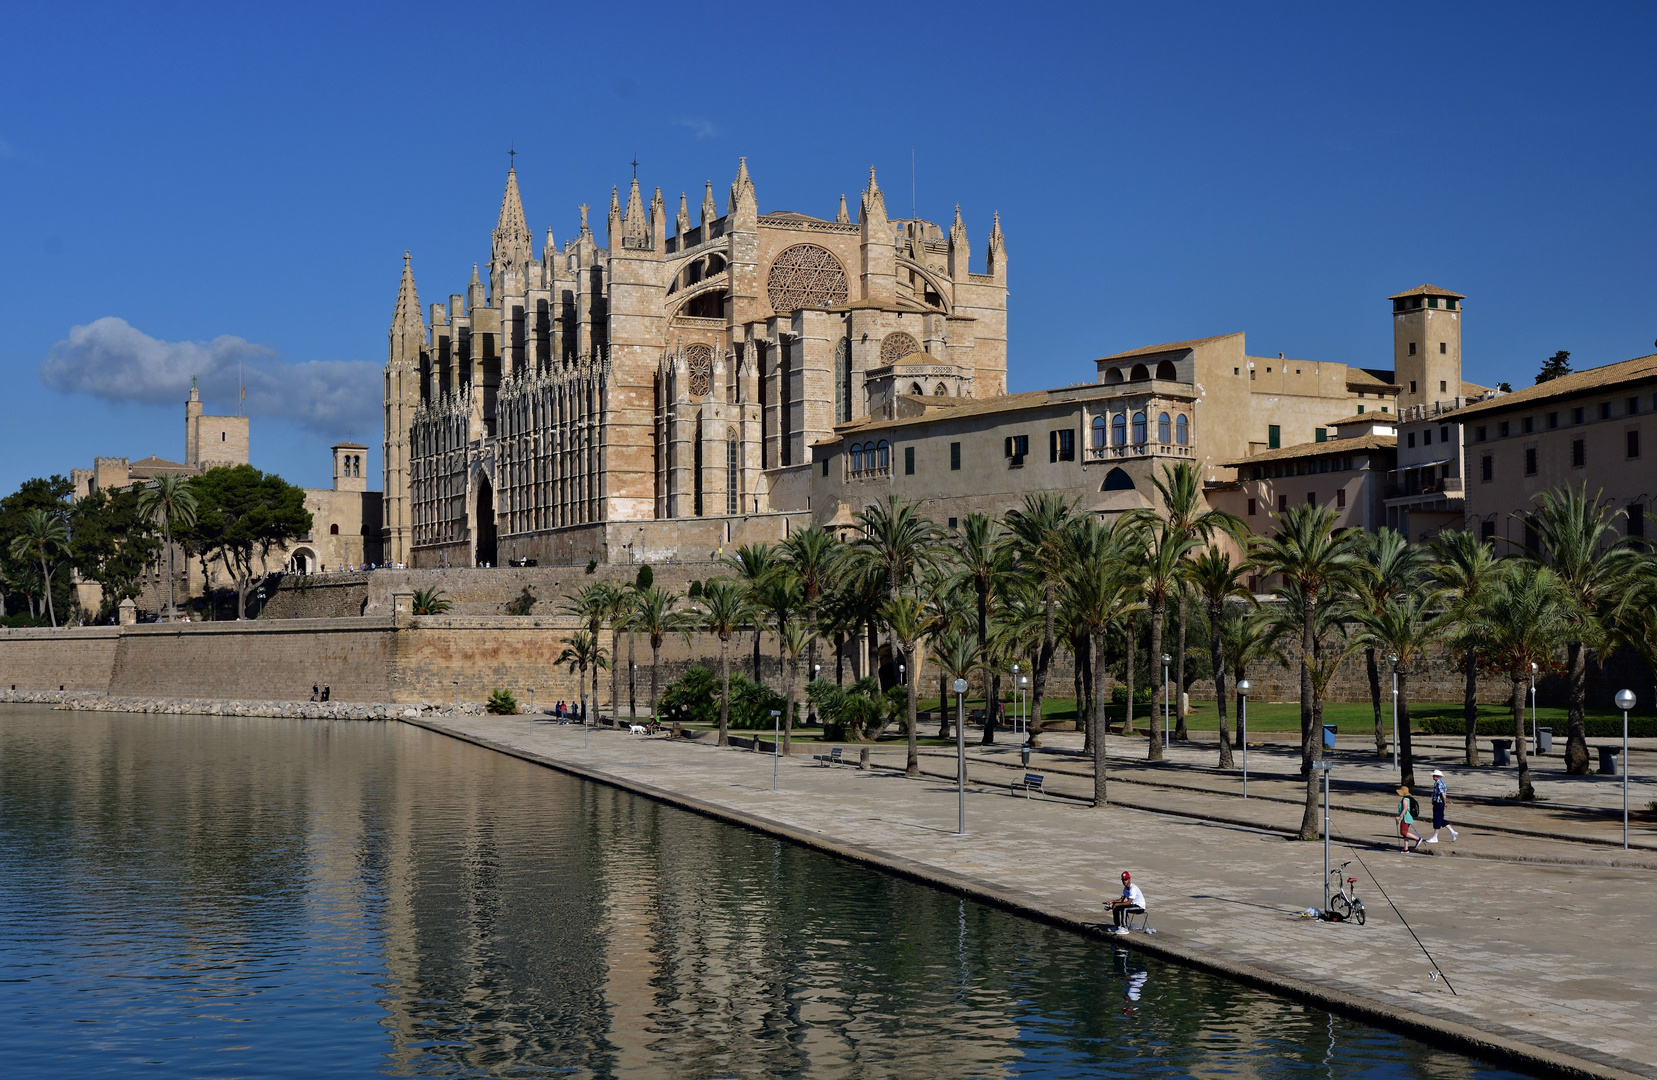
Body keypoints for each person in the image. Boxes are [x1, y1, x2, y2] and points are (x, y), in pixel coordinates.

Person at [1426, 769, 1459, 843]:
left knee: (1437, 819)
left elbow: (1443, 795)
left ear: (1437, 776)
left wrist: (1445, 803)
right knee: (1441, 819)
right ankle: (1452, 832)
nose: (1433, 776)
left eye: (1434, 775)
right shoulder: (1442, 782)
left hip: (1438, 803)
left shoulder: (1438, 783)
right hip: (1439, 803)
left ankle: (1435, 837)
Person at [1396, 785, 1423, 852]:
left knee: (1403, 832)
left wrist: (1399, 817)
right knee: (1405, 833)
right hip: (1407, 817)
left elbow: (1405, 809)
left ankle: (1417, 839)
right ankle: (1406, 848)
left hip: (1405, 818)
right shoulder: (1407, 798)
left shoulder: (1405, 799)